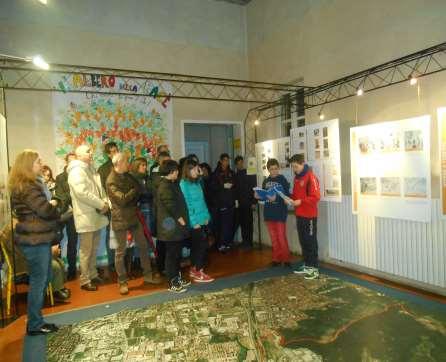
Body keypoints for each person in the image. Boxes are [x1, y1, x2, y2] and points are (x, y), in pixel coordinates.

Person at [9, 149, 61, 335]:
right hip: (35, 239)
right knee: (40, 281)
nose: (41, 163)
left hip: (37, 238)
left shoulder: (27, 185)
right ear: (29, 165)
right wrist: (54, 204)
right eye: (38, 161)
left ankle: (35, 321)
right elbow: (45, 210)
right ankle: (35, 325)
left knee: (43, 278)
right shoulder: (28, 187)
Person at [106, 153, 161, 295]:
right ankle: (122, 282)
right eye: (125, 161)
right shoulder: (111, 180)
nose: (128, 164)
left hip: (133, 216)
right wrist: (133, 193)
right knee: (120, 252)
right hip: (120, 219)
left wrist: (132, 194)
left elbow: (139, 191)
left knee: (143, 246)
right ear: (118, 163)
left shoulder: (129, 176)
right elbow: (122, 199)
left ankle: (148, 275)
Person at [68, 145, 109, 291]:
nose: (92, 153)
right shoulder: (76, 171)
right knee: (86, 250)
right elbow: (82, 193)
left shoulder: (90, 169)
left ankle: (92, 273)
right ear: (79, 155)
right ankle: (84, 280)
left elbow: (100, 189)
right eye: (88, 151)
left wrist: (106, 202)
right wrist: (100, 204)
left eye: (92, 150)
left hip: (96, 214)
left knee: (94, 248)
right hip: (86, 216)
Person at [155, 160, 190, 293]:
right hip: (170, 227)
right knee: (172, 255)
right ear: (171, 172)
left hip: (175, 227)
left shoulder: (172, 183)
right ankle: (172, 282)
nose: (178, 172)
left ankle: (177, 277)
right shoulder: (164, 186)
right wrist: (181, 219)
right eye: (176, 170)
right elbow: (170, 205)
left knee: (177, 254)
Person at [180, 159, 214, 283]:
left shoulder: (197, 182)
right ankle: (199, 271)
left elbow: (202, 201)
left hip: (202, 219)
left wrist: (206, 217)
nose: (196, 171)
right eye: (194, 169)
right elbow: (187, 205)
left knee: (197, 247)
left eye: (197, 169)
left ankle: (194, 269)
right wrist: (194, 222)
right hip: (194, 222)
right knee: (202, 246)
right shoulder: (183, 184)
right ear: (188, 170)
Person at [289, 154, 321, 280]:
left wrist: (300, 202)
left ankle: (314, 269)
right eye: (293, 167)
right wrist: (290, 199)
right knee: (303, 241)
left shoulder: (311, 177)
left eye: (296, 166)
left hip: (310, 216)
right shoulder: (297, 178)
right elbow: (297, 196)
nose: (294, 169)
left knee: (311, 242)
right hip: (300, 215)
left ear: (302, 164)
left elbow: (315, 197)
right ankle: (308, 265)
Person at [256, 158, 291, 267]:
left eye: (276, 169)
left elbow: (287, 197)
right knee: (273, 238)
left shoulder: (282, 179)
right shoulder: (266, 181)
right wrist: (258, 196)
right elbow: (264, 196)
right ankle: (276, 258)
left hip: (280, 213)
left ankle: (286, 259)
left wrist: (275, 198)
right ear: (268, 170)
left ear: (278, 168)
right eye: (271, 169)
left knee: (281, 237)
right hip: (269, 213)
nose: (274, 171)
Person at [55, 152, 78, 280]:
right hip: (63, 213)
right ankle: (57, 269)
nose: (73, 164)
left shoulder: (80, 175)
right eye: (70, 161)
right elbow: (60, 196)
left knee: (73, 243)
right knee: (56, 240)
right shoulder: (60, 177)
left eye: (75, 161)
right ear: (66, 162)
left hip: (75, 214)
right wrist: (71, 196)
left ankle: (72, 270)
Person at [97, 141, 119, 274]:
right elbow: (101, 190)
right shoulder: (103, 169)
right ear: (107, 154)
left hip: (123, 207)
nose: (115, 152)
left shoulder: (123, 165)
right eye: (112, 151)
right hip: (110, 207)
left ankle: (124, 262)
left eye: (117, 150)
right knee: (110, 236)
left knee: (124, 235)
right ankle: (111, 263)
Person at [149, 150, 171, 273]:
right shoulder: (155, 174)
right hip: (161, 213)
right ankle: (161, 267)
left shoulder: (170, 174)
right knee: (162, 241)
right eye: (165, 162)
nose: (167, 164)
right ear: (159, 162)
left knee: (170, 241)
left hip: (170, 213)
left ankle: (169, 266)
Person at [210, 153, 236, 252]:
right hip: (221, 203)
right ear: (221, 161)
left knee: (230, 224)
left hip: (231, 202)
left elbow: (235, 186)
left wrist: (235, 199)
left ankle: (228, 242)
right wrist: (222, 186)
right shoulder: (216, 173)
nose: (226, 162)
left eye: (227, 160)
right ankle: (221, 244)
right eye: (224, 160)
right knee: (222, 224)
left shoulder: (231, 172)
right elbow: (212, 187)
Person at [233, 156, 257, 249]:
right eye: (238, 164)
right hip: (240, 203)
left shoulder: (249, 172)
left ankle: (249, 243)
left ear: (243, 163)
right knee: (242, 223)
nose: (240, 165)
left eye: (241, 163)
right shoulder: (235, 175)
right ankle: (244, 242)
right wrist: (236, 202)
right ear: (236, 165)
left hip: (248, 202)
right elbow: (235, 190)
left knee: (248, 223)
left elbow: (254, 187)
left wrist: (254, 202)